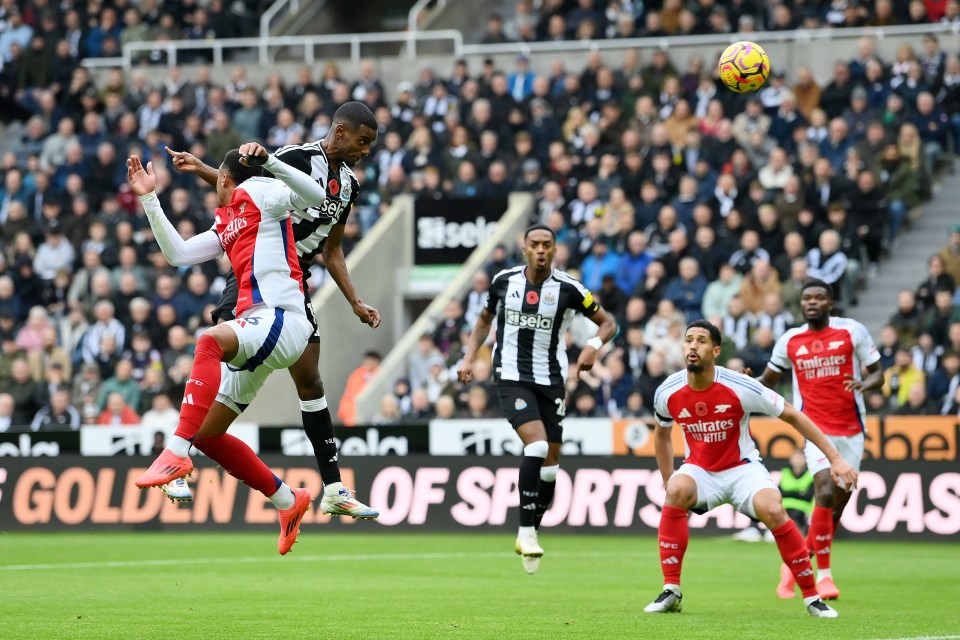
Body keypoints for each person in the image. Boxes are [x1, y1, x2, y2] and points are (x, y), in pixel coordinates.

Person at [162, 101, 381, 520]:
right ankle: (177, 459)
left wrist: (355, 301)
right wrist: (208, 170)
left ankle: (333, 489)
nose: (366, 150)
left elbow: (333, 249)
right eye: (363, 140)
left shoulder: (349, 185)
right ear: (339, 132)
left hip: (294, 287)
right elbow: (245, 193)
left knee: (311, 381)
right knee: (217, 356)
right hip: (254, 276)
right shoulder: (294, 158)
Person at [128, 142, 328, 555]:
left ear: (223, 178)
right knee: (208, 433)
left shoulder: (262, 192)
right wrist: (150, 198)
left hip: (282, 319)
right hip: (259, 326)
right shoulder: (227, 220)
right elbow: (178, 254)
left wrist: (271, 161)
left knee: (208, 340)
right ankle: (288, 501)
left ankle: (174, 451)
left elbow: (316, 197)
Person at [644, 320, 856, 618]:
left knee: (772, 507)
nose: (693, 346)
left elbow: (793, 414)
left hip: (742, 468)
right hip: (700, 470)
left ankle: (812, 597)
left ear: (715, 351)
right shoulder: (668, 391)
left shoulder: (739, 385)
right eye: (689, 340)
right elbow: (662, 433)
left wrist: (835, 458)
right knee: (677, 489)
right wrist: (668, 480)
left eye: (701, 341)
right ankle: (671, 590)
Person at [457, 224, 617, 575]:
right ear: (524, 248)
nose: (541, 250)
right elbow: (484, 320)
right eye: (535, 244)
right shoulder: (503, 281)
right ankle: (526, 532)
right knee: (537, 447)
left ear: (555, 250)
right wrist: (470, 357)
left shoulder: (569, 288)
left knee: (551, 470)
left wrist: (592, 347)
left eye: (547, 245)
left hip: (552, 379)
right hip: (512, 376)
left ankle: (534, 528)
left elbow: (608, 324)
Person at [757, 279, 883, 600]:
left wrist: (864, 385)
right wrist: (746, 381)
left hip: (852, 431)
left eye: (819, 298)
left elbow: (879, 373)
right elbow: (767, 381)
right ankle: (824, 578)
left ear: (830, 303)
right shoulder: (789, 340)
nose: (812, 302)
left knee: (834, 511)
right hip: (814, 430)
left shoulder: (852, 331)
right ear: (801, 305)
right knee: (824, 492)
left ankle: (793, 566)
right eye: (807, 298)